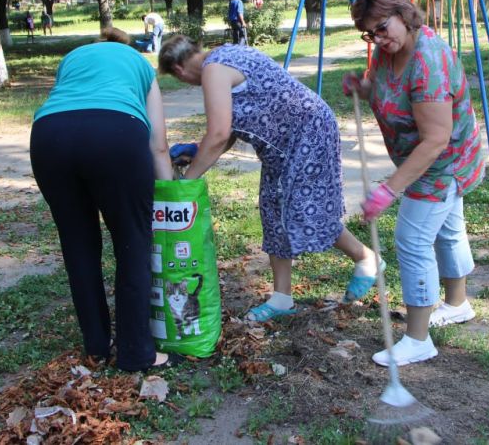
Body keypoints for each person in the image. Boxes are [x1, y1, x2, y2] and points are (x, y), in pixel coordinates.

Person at [158, 34, 381, 322]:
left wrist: (186, 183)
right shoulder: (226, 54)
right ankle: (281, 298)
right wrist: (199, 152)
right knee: (273, 211)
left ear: (178, 71)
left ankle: (366, 258)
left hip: (306, 134)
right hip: (287, 143)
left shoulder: (213, 71)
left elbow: (219, 133)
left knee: (302, 208)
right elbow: (231, 128)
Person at [342, 0, 484, 367]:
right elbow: (386, 88)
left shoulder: (428, 62)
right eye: (369, 34)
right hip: (426, 160)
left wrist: (389, 190)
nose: (377, 38)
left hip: (442, 164)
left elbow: (435, 140)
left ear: (403, 14)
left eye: (382, 28)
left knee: (412, 239)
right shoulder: (391, 51)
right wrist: (364, 86)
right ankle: (457, 304)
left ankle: (418, 339)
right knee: (448, 230)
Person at [29, 27, 174, 372]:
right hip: (115, 133)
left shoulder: (72, 59)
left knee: (78, 244)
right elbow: (158, 144)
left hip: (49, 136)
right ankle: (138, 352)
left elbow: (68, 104)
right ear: (123, 46)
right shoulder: (137, 61)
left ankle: (96, 347)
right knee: (132, 242)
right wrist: (169, 195)